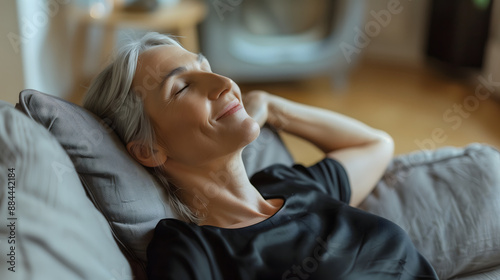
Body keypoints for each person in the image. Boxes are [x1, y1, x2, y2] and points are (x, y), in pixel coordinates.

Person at [83, 32, 439, 280]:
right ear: (149, 149)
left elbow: (375, 145)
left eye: (206, 67)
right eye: (184, 87)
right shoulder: (190, 247)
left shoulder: (289, 183)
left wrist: (272, 105)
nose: (224, 82)